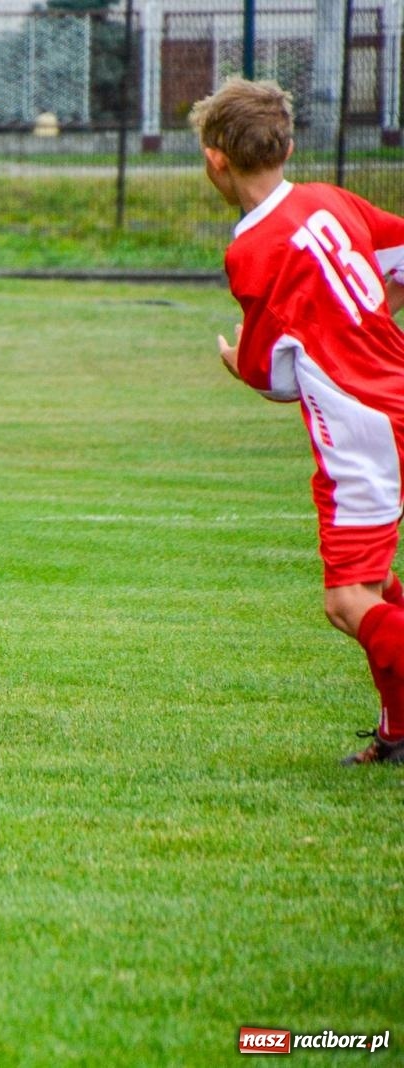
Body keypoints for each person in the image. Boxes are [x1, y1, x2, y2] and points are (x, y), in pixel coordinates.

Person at [197, 77, 404, 764]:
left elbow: (269, 375)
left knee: (347, 602)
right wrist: (370, 310)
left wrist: (235, 363)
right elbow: (396, 257)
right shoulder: (328, 201)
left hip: (362, 430)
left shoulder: (253, 249)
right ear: (286, 145)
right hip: (395, 393)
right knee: (377, 588)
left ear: (216, 159)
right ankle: (398, 733)